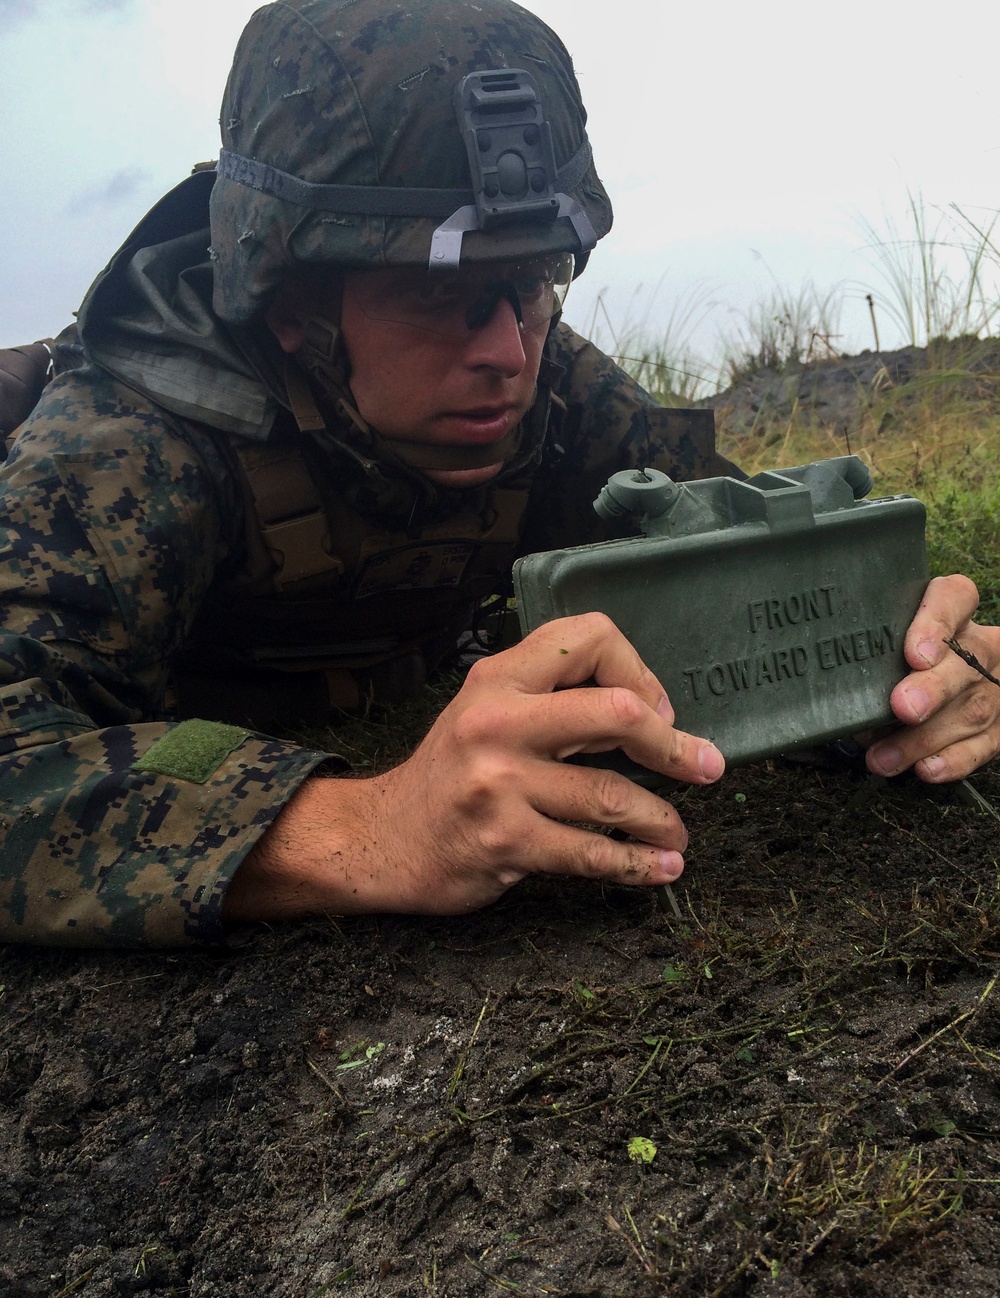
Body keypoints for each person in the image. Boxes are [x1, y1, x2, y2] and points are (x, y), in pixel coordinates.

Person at [1, 0, 997, 950]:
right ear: (291, 299)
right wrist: (368, 825)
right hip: (179, 726)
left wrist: (910, 666)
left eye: (532, 282)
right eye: (441, 293)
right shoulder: (129, 442)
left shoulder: (547, 382)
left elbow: (733, 566)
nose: (505, 351)